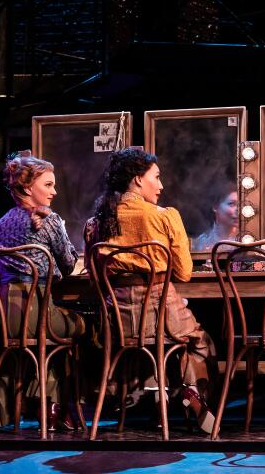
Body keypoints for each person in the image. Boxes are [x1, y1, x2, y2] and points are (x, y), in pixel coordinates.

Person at [85, 147, 216, 434]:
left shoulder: (96, 223)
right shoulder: (164, 216)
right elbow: (184, 272)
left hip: (117, 321)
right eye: (156, 177)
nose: (161, 185)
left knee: (152, 346)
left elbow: (94, 279)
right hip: (162, 312)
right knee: (196, 340)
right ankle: (190, 390)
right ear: (136, 179)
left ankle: (156, 398)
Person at [0, 151, 86, 430]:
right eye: (48, 185)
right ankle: (57, 405)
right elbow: (67, 264)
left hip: (4, 313)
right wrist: (63, 233)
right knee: (81, 327)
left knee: (48, 338)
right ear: (28, 187)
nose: (55, 191)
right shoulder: (49, 219)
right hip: (34, 308)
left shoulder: (0, 223)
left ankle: (47, 407)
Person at [192, 186, 239, 252]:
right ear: (215, 207)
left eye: (240, 204)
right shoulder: (200, 243)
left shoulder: (245, 239)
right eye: (231, 204)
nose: (238, 210)